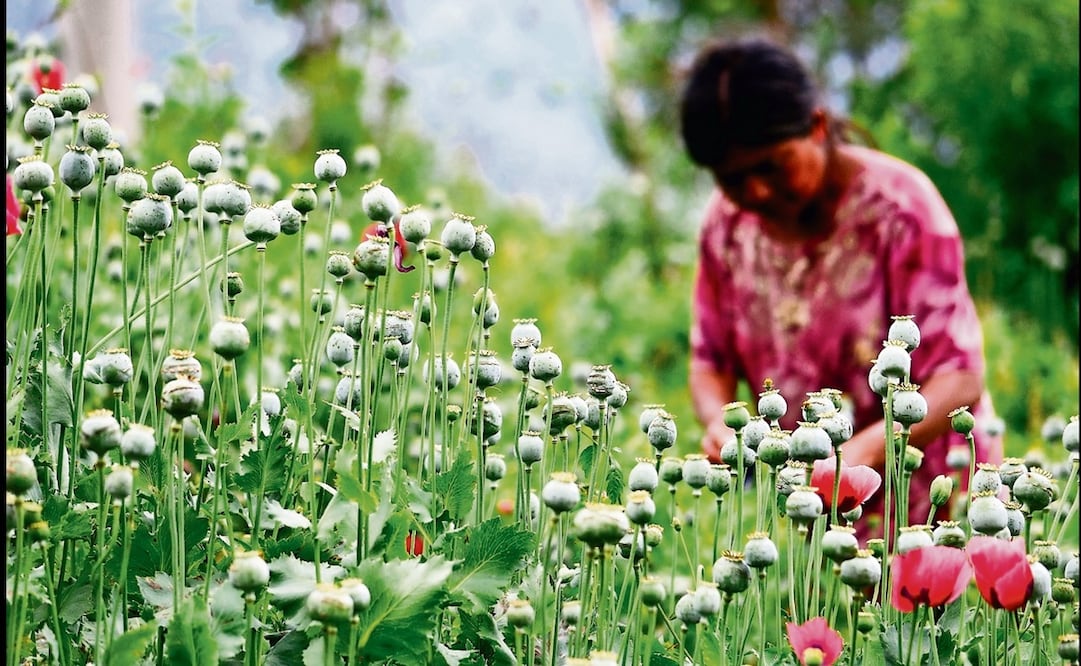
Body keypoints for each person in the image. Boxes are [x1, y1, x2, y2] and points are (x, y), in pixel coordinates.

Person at [678, 36, 1003, 532]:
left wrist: (865, 452)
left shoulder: (902, 211)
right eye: (731, 178)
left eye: (771, 165)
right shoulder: (727, 228)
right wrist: (721, 422)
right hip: (810, 514)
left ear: (818, 126)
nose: (755, 191)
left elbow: (960, 376)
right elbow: (710, 362)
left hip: (933, 504)